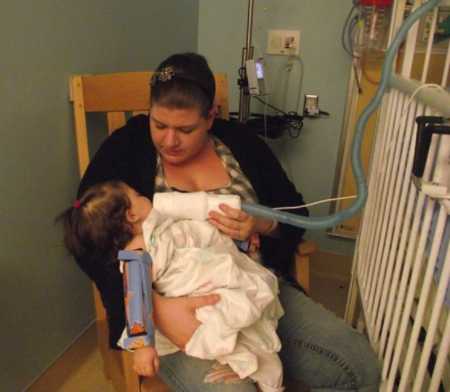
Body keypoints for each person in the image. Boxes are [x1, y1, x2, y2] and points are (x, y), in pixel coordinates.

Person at [75, 52, 380, 391]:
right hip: (180, 318)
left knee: (358, 363)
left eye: (186, 129)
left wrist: (262, 224)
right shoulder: (126, 148)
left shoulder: (242, 143)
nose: (169, 141)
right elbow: (87, 236)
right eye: (158, 125)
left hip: (255, 289)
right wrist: (156, 309)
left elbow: (296, 216)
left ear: (210, 117)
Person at [60, 180, 285, 391]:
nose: (144, 196)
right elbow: (136, 298)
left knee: (252, 331)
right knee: (239, 334)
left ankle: (260, 370)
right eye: (137, 195)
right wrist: (143, 347)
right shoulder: (136, 253)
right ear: (132, 214)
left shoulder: (160, 228)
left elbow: (200, 237)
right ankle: (256, 370)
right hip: (201, 299)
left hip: (216, 279)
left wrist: (240, 241)